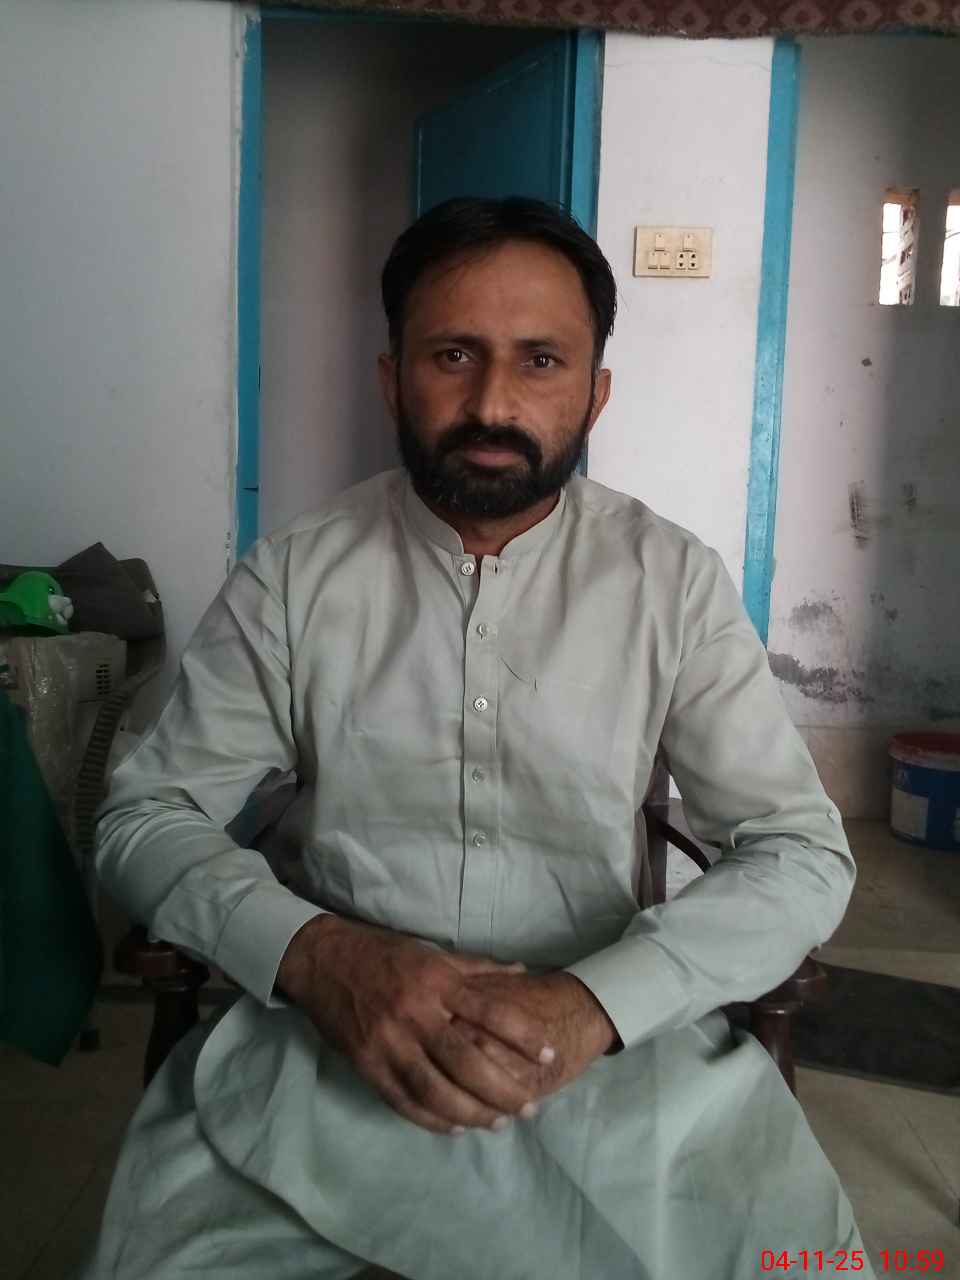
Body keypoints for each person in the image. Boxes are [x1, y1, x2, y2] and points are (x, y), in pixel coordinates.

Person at [83, 197, 875, 1280]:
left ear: (595, 392)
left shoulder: (672, 582)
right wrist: (322, 956)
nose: (494, 403)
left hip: (617, 1057)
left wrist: (597, 1003)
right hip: (330, 1048)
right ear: (391, 378)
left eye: (541, 360)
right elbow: (143, 816)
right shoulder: (295, 577)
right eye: (452, 355)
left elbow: (799, 849)